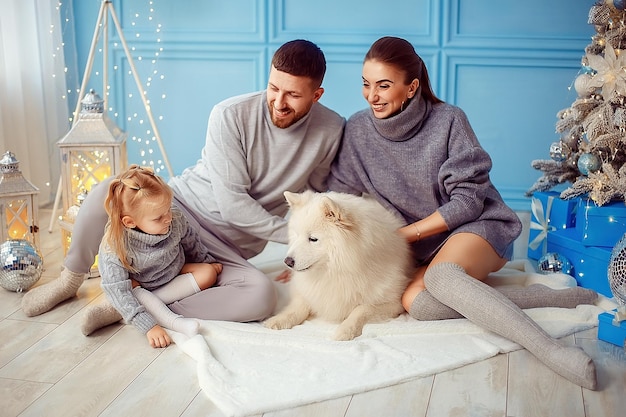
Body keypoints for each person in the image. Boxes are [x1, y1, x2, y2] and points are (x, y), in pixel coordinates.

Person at [327, 36, 598, 390]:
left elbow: (468, 202)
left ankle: (551, 351)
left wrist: (400, 237)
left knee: (441, 280)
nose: (371, 95)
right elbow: (337, 196)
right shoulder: (358, 130)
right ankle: (551, 298)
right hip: (423, 248)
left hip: (476, 225)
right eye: (366, 84)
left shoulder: (449, 120)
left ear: (411, 87)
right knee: (418, 305)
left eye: (383, 85)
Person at [21, 39, 345, 327]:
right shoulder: (230, 114)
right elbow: (232, 205)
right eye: (274, 88)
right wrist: (295, 239)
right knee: (107, 191)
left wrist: (308, 253)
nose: (278, 101)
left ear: (316, 95)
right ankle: (70, 278)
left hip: (230, 248)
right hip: (181, 208)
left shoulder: (331, 129)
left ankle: (136, 304)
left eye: (292, 94)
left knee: (261, 298)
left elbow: (315, 196)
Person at [94, 165, 222, 348]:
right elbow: (117, 288)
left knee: (209, 273)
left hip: (172, 271)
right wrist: (149, 326)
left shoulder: (174, 219)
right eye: (158, 218)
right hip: (140, 285)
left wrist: (206, 261)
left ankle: (147, 304)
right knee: (127, 288)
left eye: (168, 210)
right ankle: (168, 319)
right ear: (130, 222)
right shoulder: (114, 245)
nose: (168, 218)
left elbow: (191, 242)